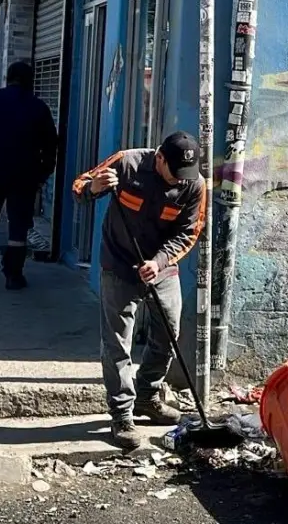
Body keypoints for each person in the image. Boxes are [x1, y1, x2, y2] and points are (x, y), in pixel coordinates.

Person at [72, 131, 206, 450]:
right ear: (159, 158)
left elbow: (189, 233)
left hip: (162, 267)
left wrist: (159, 263)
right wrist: (93, 187)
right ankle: (121, 415)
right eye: (174, 173)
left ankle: (147, 396)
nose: (179, 181)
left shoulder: (194, 185)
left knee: (169, 331)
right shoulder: (128, 163)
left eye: (185, 176)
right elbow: (79, 188)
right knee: (118, 342)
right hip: (119, 265)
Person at [0, 61, 57, 289]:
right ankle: (13, 275)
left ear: (8, 78)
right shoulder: (38, 107)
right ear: (30, 81)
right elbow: (50, 146)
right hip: (23, 176)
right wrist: (41, 175)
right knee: (18, 227)